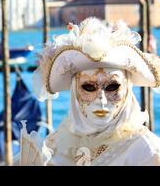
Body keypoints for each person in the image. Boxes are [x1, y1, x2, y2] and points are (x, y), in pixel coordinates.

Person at [23, 17, 160, 166]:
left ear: (127, 89)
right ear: (75, 90)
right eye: (89, 87)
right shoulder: (58, 144)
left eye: (112, 87)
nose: (101, 98)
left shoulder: (146, 151)